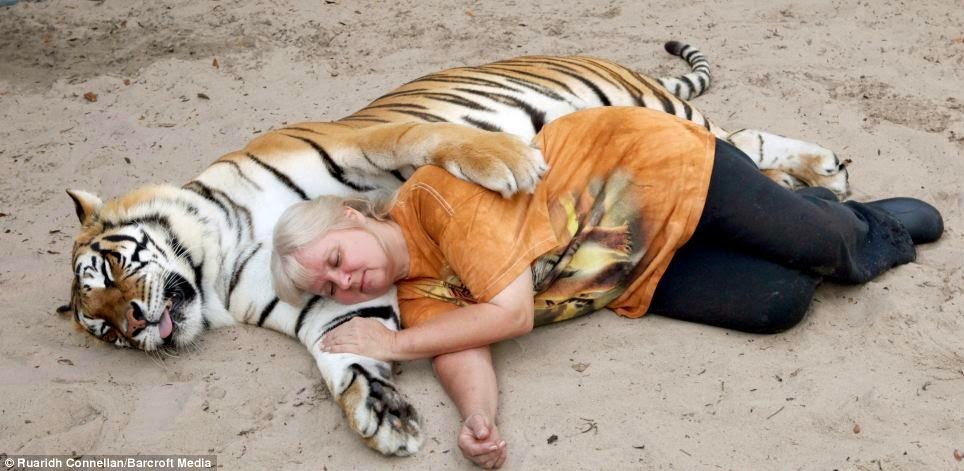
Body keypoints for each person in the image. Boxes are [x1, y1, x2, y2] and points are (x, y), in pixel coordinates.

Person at [270, 107, 943, 469]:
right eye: (329, 286)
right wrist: (479, 418)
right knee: (780, 303)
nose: (344, 278)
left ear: (353, 216)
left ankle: (855, 220)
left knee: (828, 251)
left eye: (335, 256)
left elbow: (505, 315)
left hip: (648, 168)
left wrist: (396, 342)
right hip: (626, 260)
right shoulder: (415, 290)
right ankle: (796, 218)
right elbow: (461, 349)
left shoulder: (438, 199)